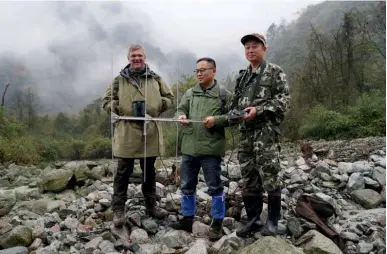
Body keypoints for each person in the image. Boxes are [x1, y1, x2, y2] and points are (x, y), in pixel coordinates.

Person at [102, 44, 174, 227]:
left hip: (149, 130)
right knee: (122, 172)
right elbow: (106, 101)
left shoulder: (155, 78)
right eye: (133, 56)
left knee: (149, 172)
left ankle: (151, 206)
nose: (136, 58)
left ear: (144, 57)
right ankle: (118, 210)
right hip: (126, 130)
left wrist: (157, 107)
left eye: (139, 55)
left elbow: (169, 97)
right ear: (128, 59)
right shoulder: (119, 80)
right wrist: (117, 108)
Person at [229, 33, 290, 237]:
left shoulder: (274, 72)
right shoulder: (242, 77)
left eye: (255, 46)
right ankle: (253, 220)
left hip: (266, 134)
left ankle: (272, 222)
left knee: (271, 176)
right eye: (247, 47)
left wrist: (259, 110)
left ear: (264, 49)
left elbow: (284, 101)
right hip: (246, 135)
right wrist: (234, 114)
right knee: (249, 177)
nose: (250, 50)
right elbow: (235, 104)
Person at [170, 57, 232, 241]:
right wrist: (180, 116)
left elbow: (233, 117)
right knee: (187, 184)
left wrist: (217, 120)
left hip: (211, 149)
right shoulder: (190, 93)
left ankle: (218, 221)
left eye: (203, 70)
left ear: (213, 71)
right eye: (196, 70)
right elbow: (178, 110)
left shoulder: (223, 94)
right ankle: (187, 218)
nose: (199, 73)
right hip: (189, 148)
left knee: (214, 186)